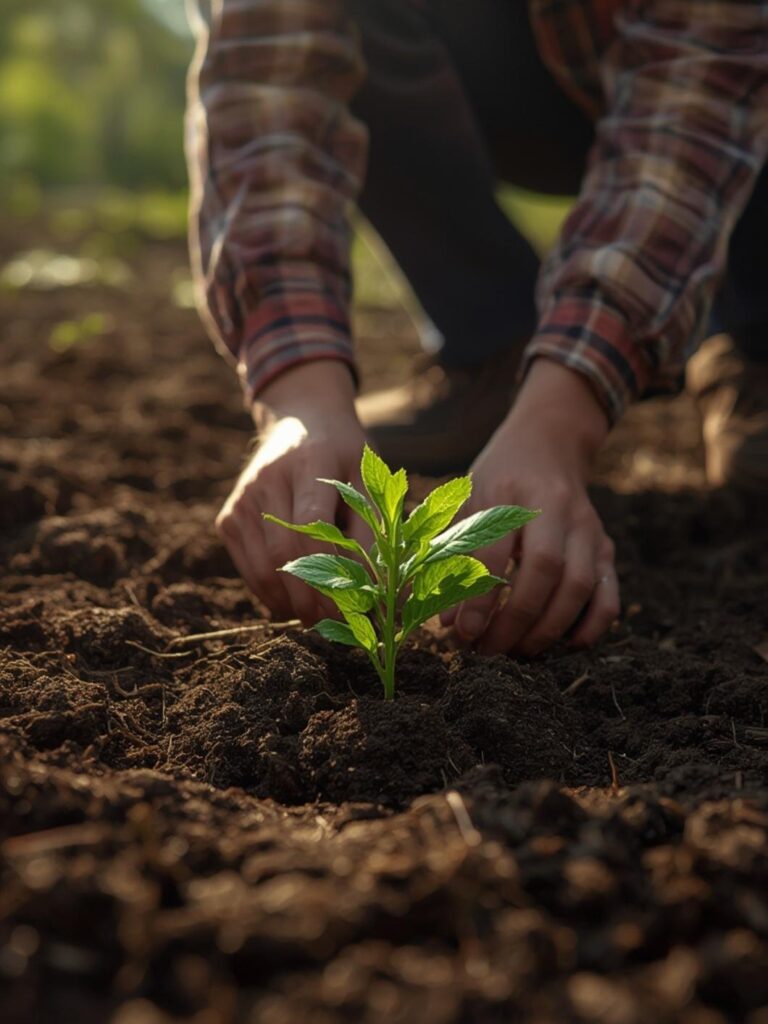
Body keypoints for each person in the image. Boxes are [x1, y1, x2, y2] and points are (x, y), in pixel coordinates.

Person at [185, 0, 768, 656]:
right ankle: (498, 348)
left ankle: (752, 332)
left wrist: (560, 422)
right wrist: (300, 402)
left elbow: (694, 104)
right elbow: (267, 73)